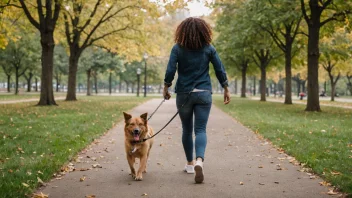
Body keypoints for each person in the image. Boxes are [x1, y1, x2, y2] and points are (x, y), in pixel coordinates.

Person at [163, 17, 230, 183]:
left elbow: (171, 69)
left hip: (184, 94)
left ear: (182, 31)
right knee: (200, 129)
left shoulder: (177, 48)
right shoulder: (209, 48)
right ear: (203, 31)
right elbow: (219, 68)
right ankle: (200, 160)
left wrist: (166, 86)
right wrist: (226, 87)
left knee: (187, 129)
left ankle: (190, 164)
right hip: (203, 93)